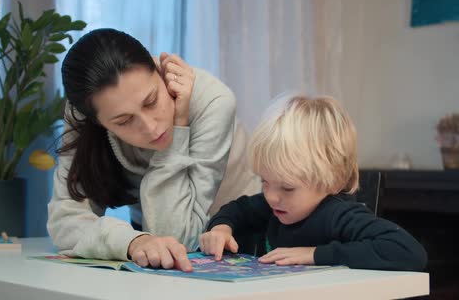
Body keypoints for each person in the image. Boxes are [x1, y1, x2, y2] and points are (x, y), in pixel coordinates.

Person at [47, 28, 261, 271]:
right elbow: (65, 219)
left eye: (151, 101)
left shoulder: (213, 101)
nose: (151, 128)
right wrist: (133, 241)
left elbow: (181, 238)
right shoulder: (82, 114)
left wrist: (178, 126)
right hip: (154, 233)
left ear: (159, 69)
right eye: (124, 121)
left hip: (236, 237)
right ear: (98, 122)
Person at [199, 94, 427, 271]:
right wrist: (221, 229)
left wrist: (314, 255)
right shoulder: (274, 205)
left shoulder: (336, 214)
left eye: (287, 187)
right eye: (265, 181)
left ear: (332, 181)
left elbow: (409, 251)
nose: (271, 196)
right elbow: (237, 210)